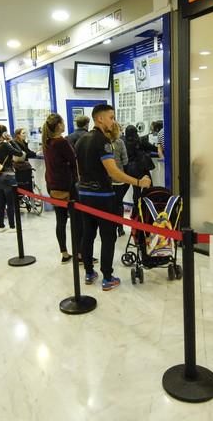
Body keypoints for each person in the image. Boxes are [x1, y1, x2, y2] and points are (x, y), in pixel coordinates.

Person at [75, 104, 151, 291]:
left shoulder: (81, 141)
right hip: (102, 196)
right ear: (99, 118)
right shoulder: (103, 141)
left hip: (83, 195)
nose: (113, 121)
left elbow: (78, 171)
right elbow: (114, 172)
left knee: (88, 234)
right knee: (108, 236)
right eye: (111, 117)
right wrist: (138, 182)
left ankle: (89, 273)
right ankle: (107, 277)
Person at [42, 113, 82, 263]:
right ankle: (79, 254)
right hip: (68, 185)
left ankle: (64, 253)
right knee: (77, 221)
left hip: (53, 185)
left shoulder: (47, 142)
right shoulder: (61, 142)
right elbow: (73, 159)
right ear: (59, 125)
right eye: (63, 122)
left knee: (61, 220)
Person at [0, 124, 23, 232]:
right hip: (8, 176)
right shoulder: (4, 145)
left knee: (1, 201)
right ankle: (12, 226)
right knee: (10, 202)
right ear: (4, 134)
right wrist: (11, 140)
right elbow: (19, 152)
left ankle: (1, 226)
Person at [124, 124, 157, 206]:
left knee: (136, 190)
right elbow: (153, 148)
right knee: (149, 186)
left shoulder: (124, 142)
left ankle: (136, 209)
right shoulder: (140, 141)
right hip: (140, 168)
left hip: (129, 169)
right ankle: (147, 206)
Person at [110, 122, 129, 237]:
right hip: (118, 178)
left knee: (109, 204)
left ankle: (110, 226)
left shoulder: (103, 142)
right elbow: (125, 160)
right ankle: (120, 228)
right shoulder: (120, 142)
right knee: (119, 204)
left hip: (106, 179)